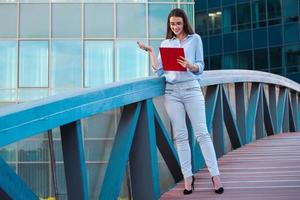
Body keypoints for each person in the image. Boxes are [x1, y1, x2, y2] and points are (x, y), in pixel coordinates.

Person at [137, 8, 224, 195]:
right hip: (172, 92)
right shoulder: (166, 43)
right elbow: (159, 71)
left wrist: (190, 65)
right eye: (172, 24)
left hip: (192, 88)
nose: (175, 27)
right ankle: (187, 178)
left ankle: (215, 176)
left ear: (184, 22)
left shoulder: (195, 39)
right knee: (181, 135)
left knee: (202, 133)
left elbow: (200, 66)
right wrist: (152, 51)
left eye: (178, 23)